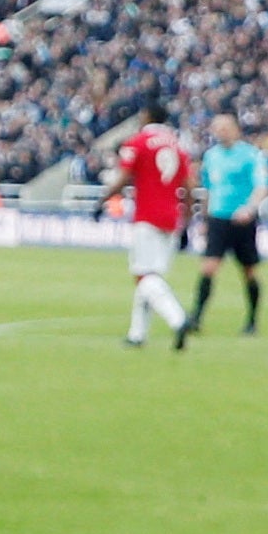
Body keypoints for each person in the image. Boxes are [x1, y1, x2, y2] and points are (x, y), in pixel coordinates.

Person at [109, 103, 194, 349]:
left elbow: (124, 178)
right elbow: (189, 186)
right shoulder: (177, 144)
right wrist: (186, 220)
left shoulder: (137, 142)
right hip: (172, 217)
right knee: (151, 276)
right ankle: (138, 335)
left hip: (147, 216)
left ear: (146, 115)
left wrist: (102, 200)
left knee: (144, 276)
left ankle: (178, 319)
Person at [189, 113, 268, 338]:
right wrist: (204, 219)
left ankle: (252, 321)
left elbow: (262, 186)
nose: (220, 131)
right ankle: (196, 317)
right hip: (218, 219)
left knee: (249, 272)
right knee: (208, 268)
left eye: (225, 127)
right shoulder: (211, 156)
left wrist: (250, 208)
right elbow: (208, 190)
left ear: (235, 129)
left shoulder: (251, 155)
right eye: (217, 128)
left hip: (242, 220)